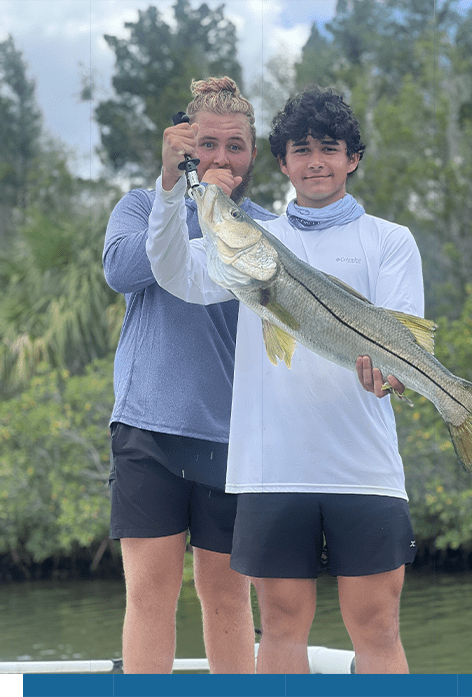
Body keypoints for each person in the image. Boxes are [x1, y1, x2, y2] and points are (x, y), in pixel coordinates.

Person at [146, 85, 424, 674]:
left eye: (330, 148)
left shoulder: (391, 240)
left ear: (353, 158)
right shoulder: (255, 242)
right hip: (272, 471)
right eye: (301, 149)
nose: (315, 161)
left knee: (377, 626)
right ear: (282, 162)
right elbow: (173, 273)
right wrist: (172, 188)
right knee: (279, 628)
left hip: (365, 470)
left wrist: (393, 378)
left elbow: (402, 344)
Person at [103, 76, 277, 674]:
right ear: (183, 146)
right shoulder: (140, 205)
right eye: (207, 144)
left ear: (253, 153)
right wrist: (178, 193)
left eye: (235, 145)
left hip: (232, 439)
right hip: (147, 428)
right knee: (150, 593)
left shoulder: (266, 229)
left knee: (227, 592)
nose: (221, 158)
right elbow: (127, 271)